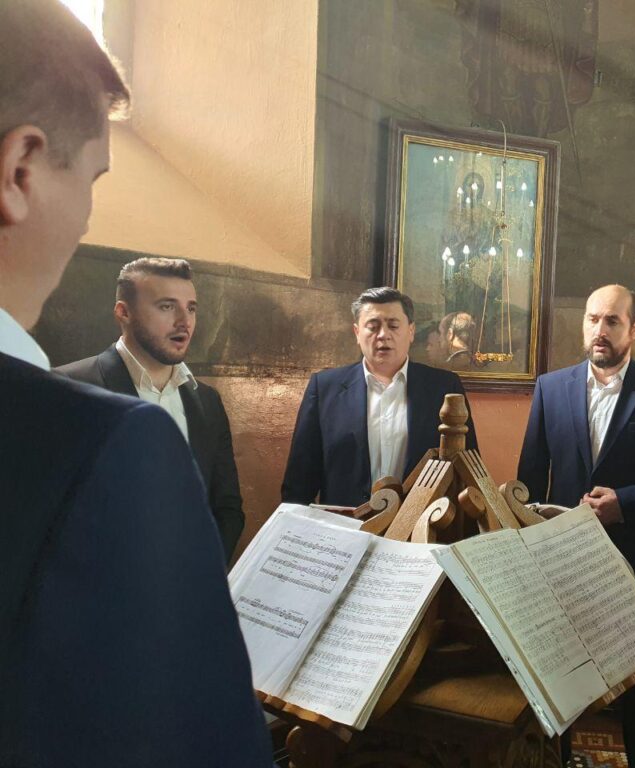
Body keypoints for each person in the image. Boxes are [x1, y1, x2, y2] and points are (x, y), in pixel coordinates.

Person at [0, 2, 271, 765]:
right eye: (91, 177)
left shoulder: (197, 405)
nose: (88, 216)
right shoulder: (103, 438)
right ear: (20, 171)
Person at [516, 284, 635, 766]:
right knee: (560, 679)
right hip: (562, 559)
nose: (599, 330)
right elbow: (530, 478)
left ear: (634, 328)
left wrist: (624, 503)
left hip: (634, 558)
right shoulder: (550, 387)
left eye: (612, 321)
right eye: (592, 319)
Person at [58, 257, 245, 561]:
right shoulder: (68, 388)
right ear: (124, 312)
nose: (184, 321)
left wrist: (202, 571)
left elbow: (227, 507)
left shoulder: (207, 401)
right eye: (167, 306)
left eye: (191, 308)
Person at [282, 287, 478, 505]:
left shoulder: (444, 387)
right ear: (357, 333)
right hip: (346, 523)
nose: (383, 335)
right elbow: (299, 483)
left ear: (411, 331)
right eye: (373, 326)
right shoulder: (325, 388)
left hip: (422, 522)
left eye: (393, 326)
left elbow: (467, 473)